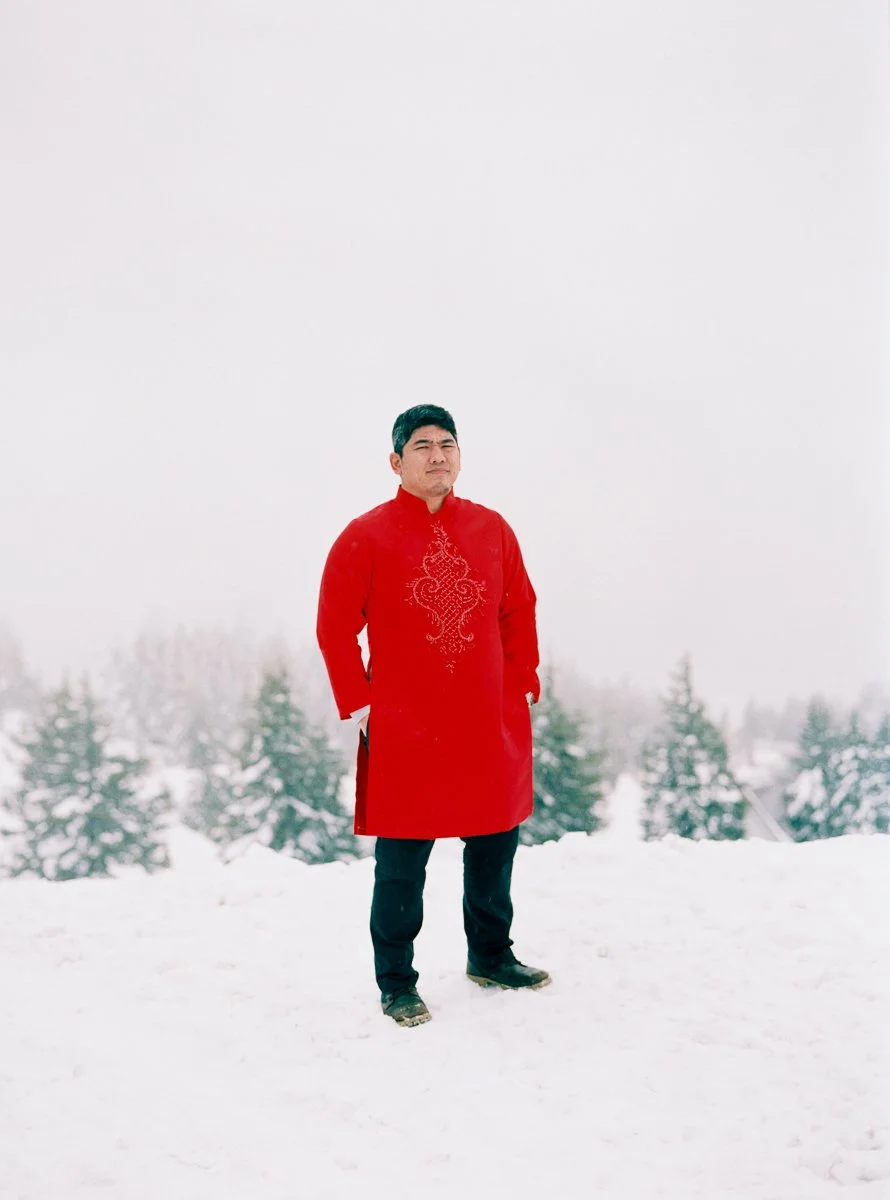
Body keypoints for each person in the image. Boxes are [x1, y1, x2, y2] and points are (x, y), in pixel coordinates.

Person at [316, 405, 550, 1027]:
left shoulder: (492, 528)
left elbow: (516, 609)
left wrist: (522, 680)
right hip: (406, 722)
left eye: (447, 444)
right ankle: (396, 981)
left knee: (495, 843)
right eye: (422, 446)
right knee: (402, 862)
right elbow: (336, 628)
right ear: (397, 462)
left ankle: (491, 956)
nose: (437, 455)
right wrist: (360, 702)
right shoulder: (363, 536)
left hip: (485, 716)